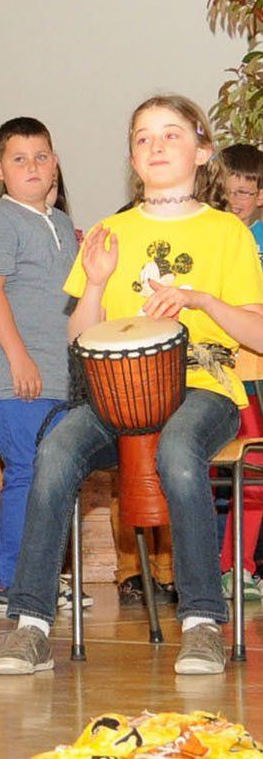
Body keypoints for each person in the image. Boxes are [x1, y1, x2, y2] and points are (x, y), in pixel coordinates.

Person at [0, 94, 263, 678]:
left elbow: (259, 335)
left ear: (202, 150)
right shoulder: (112, 229)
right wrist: (93, 285)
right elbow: (80, 336)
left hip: (204, 387)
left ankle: (202, 623)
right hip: (117, 394)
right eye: (143, 137)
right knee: (55, 450)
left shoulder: (227, 233)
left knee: (179, 452)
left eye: (171, 135)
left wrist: (200, 300)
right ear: (132, 157)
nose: (157, 146)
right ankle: (31, 624)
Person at [0, 118, 78, 607]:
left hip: (63, 373)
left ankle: (44, 575)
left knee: (58, 476)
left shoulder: (58, 222)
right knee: (26, 473)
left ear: (55, 162)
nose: (32, 167)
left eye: (41, 156)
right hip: (20, 374)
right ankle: (13, 581)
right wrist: (19, 359)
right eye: (19, 159)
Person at [218, 141, 263, 603]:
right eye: (228, 192)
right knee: (249, 467)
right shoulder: (215, 237)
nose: (235, 202)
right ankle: (234, 567)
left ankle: (239, 566)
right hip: (234, 373)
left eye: (245, 194)